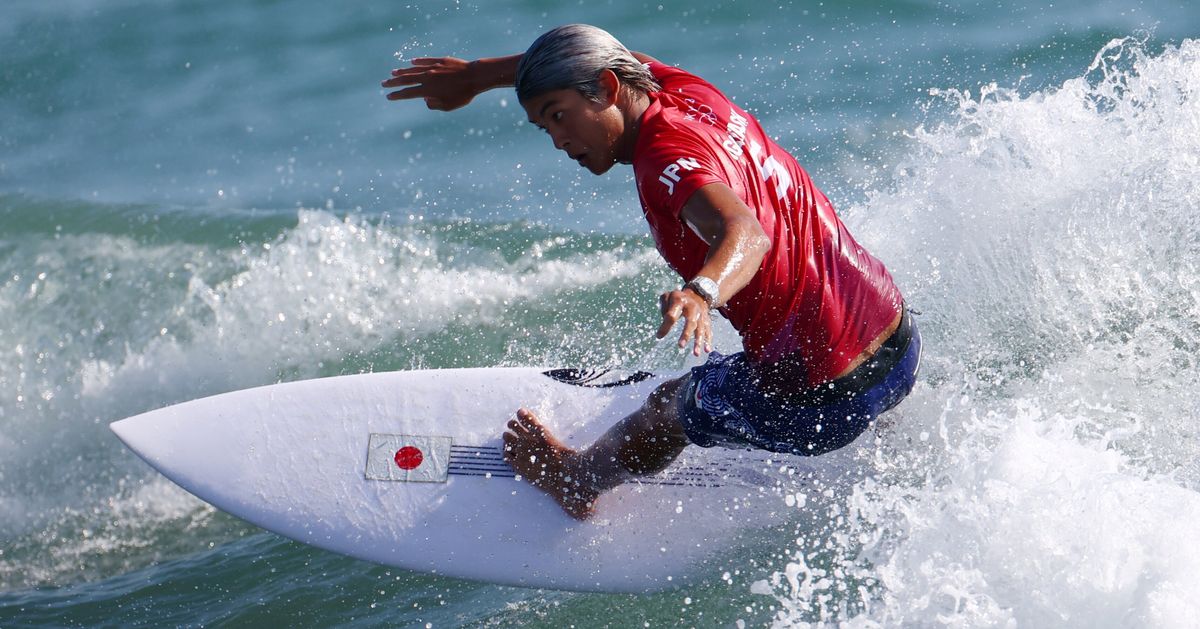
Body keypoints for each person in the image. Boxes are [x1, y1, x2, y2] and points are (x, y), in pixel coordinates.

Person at [382, 24, 921, 520]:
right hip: (898, 339)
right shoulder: (683, 91)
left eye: (558, 114)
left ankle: (577, 479)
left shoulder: (664, 159)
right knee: (799, 343)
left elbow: (746, 234)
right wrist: (479, 77)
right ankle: (891, 437)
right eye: (543, 124)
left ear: (609, 89)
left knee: (669, 408)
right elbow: (613, 56)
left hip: (824, 399)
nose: (556, 139)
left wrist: (701, 291)